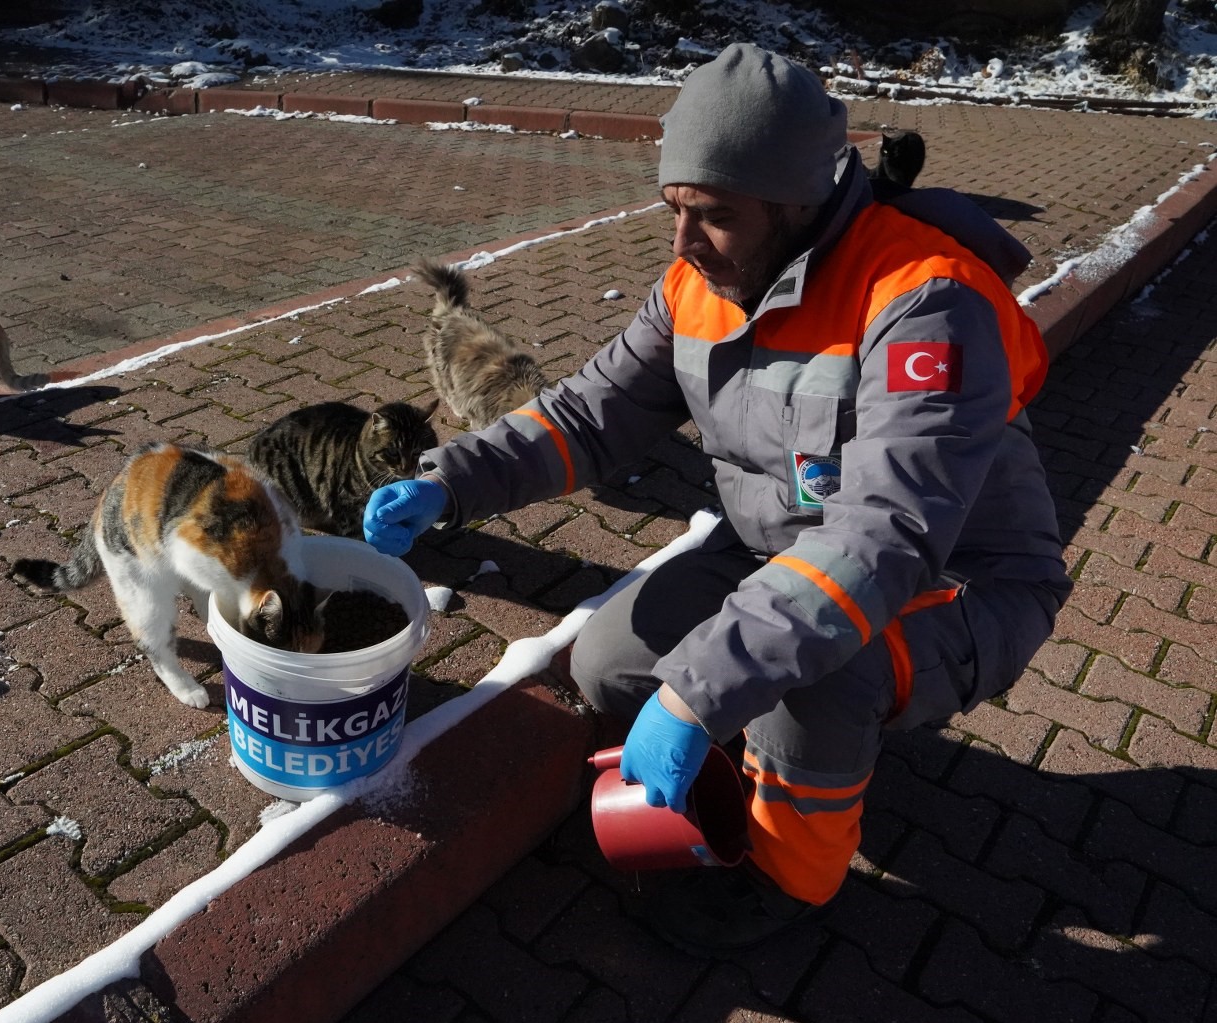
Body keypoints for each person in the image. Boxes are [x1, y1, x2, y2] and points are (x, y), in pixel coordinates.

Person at [362, 42, 1073, 954]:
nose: (683, 244)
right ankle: (777, 745)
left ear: (798, 203)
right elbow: (589, 416)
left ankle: (787, 883)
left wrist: (698, 695)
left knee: (820, 669)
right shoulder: (696, 285)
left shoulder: (923, 302)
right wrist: (447, 483)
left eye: (714, 216)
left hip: (956, 584)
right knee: (611, 663)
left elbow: (883, 538)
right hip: (785, 552)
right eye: (674, 211)